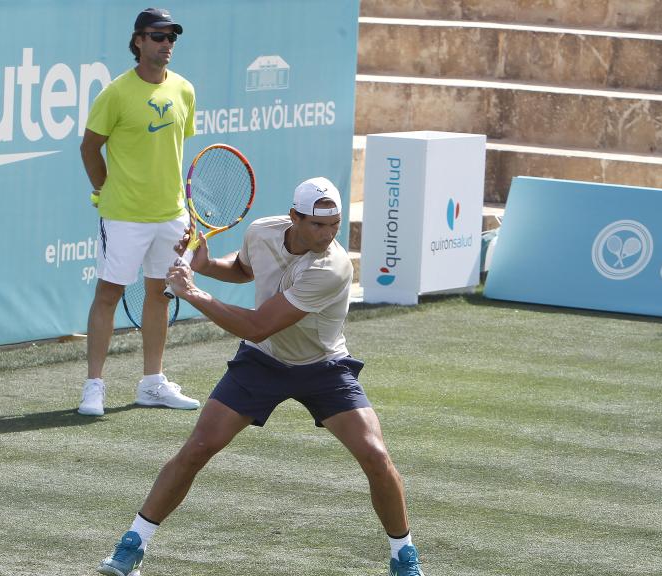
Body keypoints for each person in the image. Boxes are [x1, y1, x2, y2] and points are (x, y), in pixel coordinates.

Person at [95, 178, 426, 576]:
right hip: (263, 363)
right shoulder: (263, 232)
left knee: (375, 455)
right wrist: (204, 267)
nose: (329, 234)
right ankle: (132, 544)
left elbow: (256, 326)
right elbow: (242, 269)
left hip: (323, 367)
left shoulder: (333, 267)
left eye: (335, 224)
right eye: (319, 225)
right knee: (199, 447)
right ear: (294, 219)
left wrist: (194, 293)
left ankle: (402, 554)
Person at [77, 7, 200, 416]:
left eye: (172, 38)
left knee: (159, 295)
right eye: (158, 36)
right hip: (124, 215)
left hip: (171, 214)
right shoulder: (115, 93)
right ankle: (94, 386)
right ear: (138, 41)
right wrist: (103, 188)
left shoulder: (184, 89)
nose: (167, 45)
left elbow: (175, 153)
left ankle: (152, 383)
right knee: (108, 294)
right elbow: (89, 146)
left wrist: (185, 210)